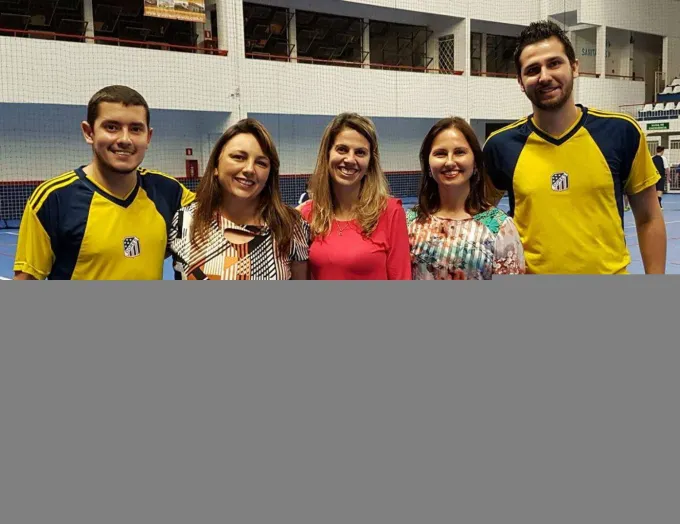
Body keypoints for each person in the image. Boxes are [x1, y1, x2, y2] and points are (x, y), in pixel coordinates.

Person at [483, 20, 666, 274]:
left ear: (575, 67)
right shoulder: (500, 146)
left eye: (554, 63)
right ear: (521, 81)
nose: (544, 76)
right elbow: (474, 214)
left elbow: (648, 218)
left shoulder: (621, 132)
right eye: (533, 69)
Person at [13, 85, 194, 280]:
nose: (125, 139)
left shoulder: (169, 191)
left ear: (148, 137)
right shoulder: (53, 199)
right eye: (112, 127)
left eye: (135, 129)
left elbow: (218, 211)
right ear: (89, 132)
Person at [168, 119, 310, 280]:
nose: (249, 169)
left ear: (270, 174)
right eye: (238, 157)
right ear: (216, 165)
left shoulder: (291, 226)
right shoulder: (184, 221)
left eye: (261, 163)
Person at [407, 117, 525, 280]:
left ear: (475, 162)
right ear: (428, 164)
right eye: (440, 154)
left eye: (459, 152)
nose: (450, 162)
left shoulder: (499, 227)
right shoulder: (410, 222)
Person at [299, 112, 411, 280]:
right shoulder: (307, 214)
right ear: (327, 154)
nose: (350, 159)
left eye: (360, 152)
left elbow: (401, 278)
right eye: (342, 149)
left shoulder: (390, 212)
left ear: (370, 162)